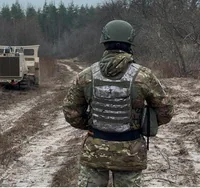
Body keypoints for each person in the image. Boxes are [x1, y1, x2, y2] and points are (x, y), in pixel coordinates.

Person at [62, 20, 173, 187]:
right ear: (130, 42)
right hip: (130, 152)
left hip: (95, 150)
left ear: (104, 42)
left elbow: (71, 112)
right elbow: (165, 111)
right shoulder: (144, 76)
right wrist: (143, 124)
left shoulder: (86, 75)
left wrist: (92, 126)